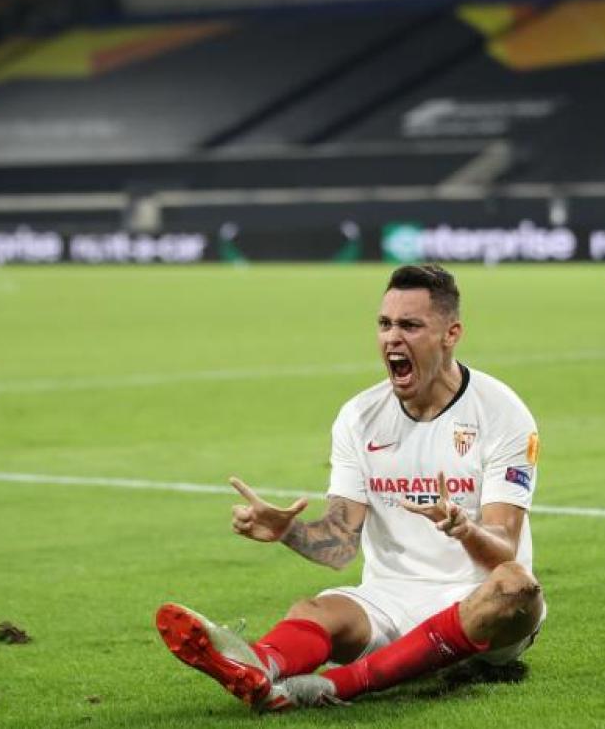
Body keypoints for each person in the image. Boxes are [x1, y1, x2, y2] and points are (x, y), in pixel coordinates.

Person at [155, 264, 545, 712]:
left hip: (477, 603)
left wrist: (464, 529)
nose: (392, 338)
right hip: (391, 597)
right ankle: (257, 665)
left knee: (518, 588)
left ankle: (337, 686)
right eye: (384, 324)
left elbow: (505, 550)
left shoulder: (501, 413)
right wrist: (288, 531)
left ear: (451, 333)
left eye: (410, 325)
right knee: (313, 611)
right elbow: (339, 546)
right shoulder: (359, 417)